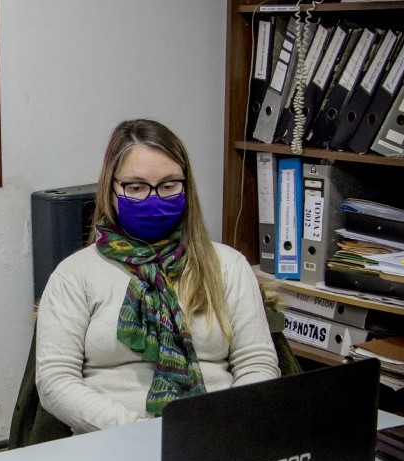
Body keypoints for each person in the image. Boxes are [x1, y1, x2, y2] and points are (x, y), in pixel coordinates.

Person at [35, 119, 280, 435]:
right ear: (111, 191)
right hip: (110, 442)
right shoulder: (74, 275)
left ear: (186, 187)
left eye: (168, 185)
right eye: (136, 187)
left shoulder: (228, 266)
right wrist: (137, 433)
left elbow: (257, 364)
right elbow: (55, 381)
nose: (154, 198)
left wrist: (223, 425)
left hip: (216, 438)